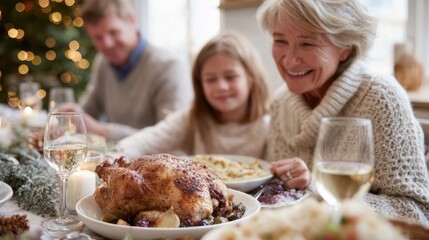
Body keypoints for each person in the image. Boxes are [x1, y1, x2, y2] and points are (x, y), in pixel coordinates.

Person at [257, 0, 429, 227]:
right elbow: (277, 200)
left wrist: (318, 193)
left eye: (307, 44)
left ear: (345, 48)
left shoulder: (383, 98)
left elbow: (416, 213)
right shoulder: (280, 102)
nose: (289, 59)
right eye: (280, 40)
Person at [117, 32, 270, 159]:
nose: (221, 86)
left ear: (251, 78)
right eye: (210, 79)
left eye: (230, 77)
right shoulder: (191, 118)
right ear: (200, 84)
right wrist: (116, 155)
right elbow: (147, 140)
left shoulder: (270, 123)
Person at [59, 0, 193, 141]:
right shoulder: (103, 62)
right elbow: (88, 111)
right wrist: (72, 115)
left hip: (162, 162)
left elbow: (174, 138)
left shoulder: (169, 66)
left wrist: (104, 131)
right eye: (97, 38)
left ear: (132, 21)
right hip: (116, 159)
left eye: (114, 32)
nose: (107, 44)